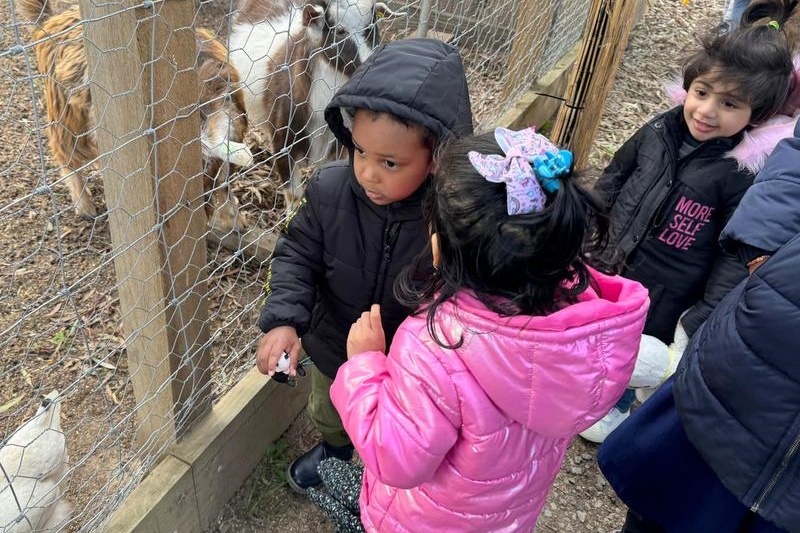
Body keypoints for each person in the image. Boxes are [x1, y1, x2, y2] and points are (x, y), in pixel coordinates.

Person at [308, 127, 649, 533]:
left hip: (422, 521)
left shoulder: (435, 346)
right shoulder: (583, 330)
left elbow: (397, 460)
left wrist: (365, 367)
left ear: (439, 249)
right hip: (506, 516)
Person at [254, 38, 474, 493]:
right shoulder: (329, 191)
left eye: (390, 163)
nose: (368, 173)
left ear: (436, 160)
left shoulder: (450, 216)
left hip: (411, 360)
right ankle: (335, 453)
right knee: (330, 409)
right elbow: (297, 254)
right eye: (360, 152)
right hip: (336, 344)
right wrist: (285, 322)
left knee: (401, 427)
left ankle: (387, 477)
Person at [579, 18, 795, 443]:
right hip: (613, 256)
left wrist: (700, 315)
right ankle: (586, 386)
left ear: (758, 115)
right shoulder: (660, 129)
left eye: (730, 105)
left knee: (638, 347)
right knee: (596, 324)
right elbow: (614, 178)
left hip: (669, 289)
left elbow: (734, 252)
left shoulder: (741, 174)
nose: (707, 111)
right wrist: (587, 231)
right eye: (701, 93)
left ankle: (618, 404)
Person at [596, 120, 800, 533]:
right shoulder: (658, 130)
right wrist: (759, 246)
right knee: (669, 493)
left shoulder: (733, 170)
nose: (707, 111)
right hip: (760, 349)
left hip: (681, 287)